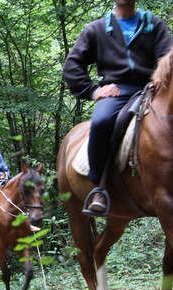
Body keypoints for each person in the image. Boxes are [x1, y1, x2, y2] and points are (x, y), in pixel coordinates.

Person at [63, 0, 172, 214]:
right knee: (102, 121)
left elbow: (167, 57)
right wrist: (94, 91)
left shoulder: (153, 24)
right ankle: (98, 188)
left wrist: (162, 75)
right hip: (118, 92)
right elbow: (72, 66)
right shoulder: (96, 29)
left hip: (152, 88)